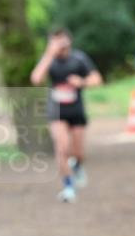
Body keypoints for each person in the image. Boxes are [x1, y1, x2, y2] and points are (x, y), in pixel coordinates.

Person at [30, 27, 103, 203]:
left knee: (78, 153)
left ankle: (77, 166)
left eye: (62, 40)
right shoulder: (49, 60)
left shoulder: (79, 58)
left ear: (69, 40)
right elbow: (36, 79)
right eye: (55, 41)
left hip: (76, 110)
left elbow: (97, 79)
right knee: (62, 148)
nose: (60, 44)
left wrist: (82, 82)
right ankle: (68, 187)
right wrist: (49, 54)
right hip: (56, 111)